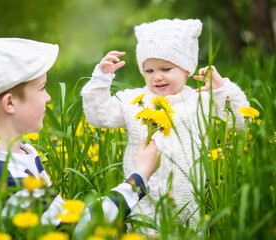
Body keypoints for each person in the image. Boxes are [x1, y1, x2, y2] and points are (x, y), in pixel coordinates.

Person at [0, 37, 161, 232]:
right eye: (41, 88)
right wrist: (139, 177)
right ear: (10, 103)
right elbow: (76, 226)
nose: (48, 97)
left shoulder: (21, 152)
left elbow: (56, 213)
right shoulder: (4, 179)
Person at [81, 18, 250, 231]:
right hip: (144, 199)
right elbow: (99, 117)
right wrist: (100, 82)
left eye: (166, 68)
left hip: (190, 200)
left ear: (187, 69)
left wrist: (222, 89)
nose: (157, 77)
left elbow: (240, 121)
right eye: (149, 70)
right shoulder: (133, 101)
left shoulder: (200, 102)